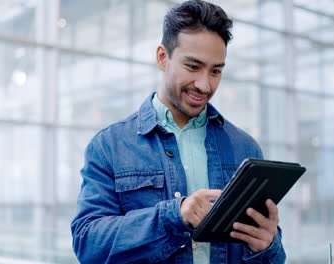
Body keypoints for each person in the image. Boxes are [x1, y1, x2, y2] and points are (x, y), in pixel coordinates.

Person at [71, 0, 286, 263]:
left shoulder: (246, 149)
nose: (205, 85)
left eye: (216, 71)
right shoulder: (110, 146)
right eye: (193, 67)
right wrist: (175, 215)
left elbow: (271, 254)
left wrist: (267, 247)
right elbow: (88, 244)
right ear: (163, 57)